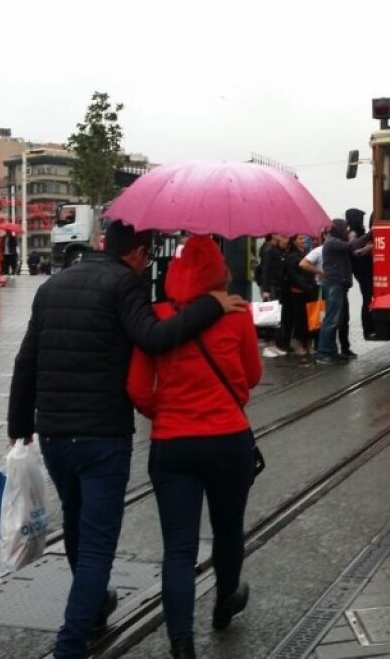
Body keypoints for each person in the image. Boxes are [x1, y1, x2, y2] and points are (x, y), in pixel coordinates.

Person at [7, 221, 245, 658]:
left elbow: (27, 358)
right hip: (101, 435)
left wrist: (19, 423)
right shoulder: (123, 285)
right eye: (148, 256)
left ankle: (95, 606)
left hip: (55, 433)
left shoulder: (53, 286)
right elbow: (153, 338)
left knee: (78, 528)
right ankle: (70, 644)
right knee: (97, 545)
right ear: (137, 253)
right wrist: (211, 305)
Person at [128, 236, 260, 659]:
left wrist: (164, 413)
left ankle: (181, 643)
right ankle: (225, 600)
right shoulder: (238, 314)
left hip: (172, 444)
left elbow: (135, 388)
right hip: (228, 440)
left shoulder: (157, 317)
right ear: (219, 272)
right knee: (228, 528)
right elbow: (253, 375)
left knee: (179, 547)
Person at [314, 218, 372, 364]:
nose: (347, 231)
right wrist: (372, 234)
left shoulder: (336, 242)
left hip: (339, 286)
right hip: (334, 285)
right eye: (345, 228)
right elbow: (353, 245)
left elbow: (355, 251)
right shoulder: (332, 242)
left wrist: (366, 249)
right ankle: (324, 354)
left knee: (336, 320)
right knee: (331, 320)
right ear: (338, 229)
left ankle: (332, 352)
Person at [346, 208, 375, 340]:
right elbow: (354, 250)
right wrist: (368, 248)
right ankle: (368, 328)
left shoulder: (359, 232)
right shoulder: (353, 233)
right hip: (361, 269)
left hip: (364, 268)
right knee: (367, 297)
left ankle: (369, 326)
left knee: (368, 297)